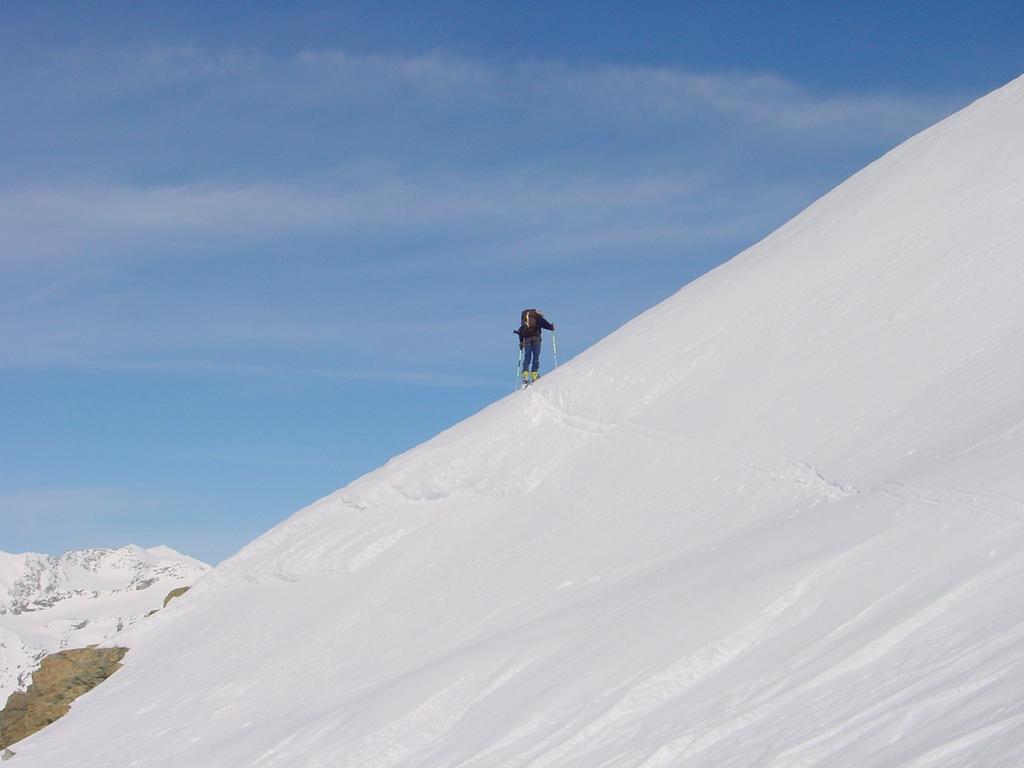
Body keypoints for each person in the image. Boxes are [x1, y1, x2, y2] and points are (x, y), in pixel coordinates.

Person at [515, 308, 555, 386]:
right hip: (536, 338)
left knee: (527, 357)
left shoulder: (525, 320)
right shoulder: (538, 318)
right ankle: (534, 374)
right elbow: (545, 324)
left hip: (526, 339)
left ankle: (525, 376)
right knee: (536, 356)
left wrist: (521, 342)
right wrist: (552, 327)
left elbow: (521, 330)